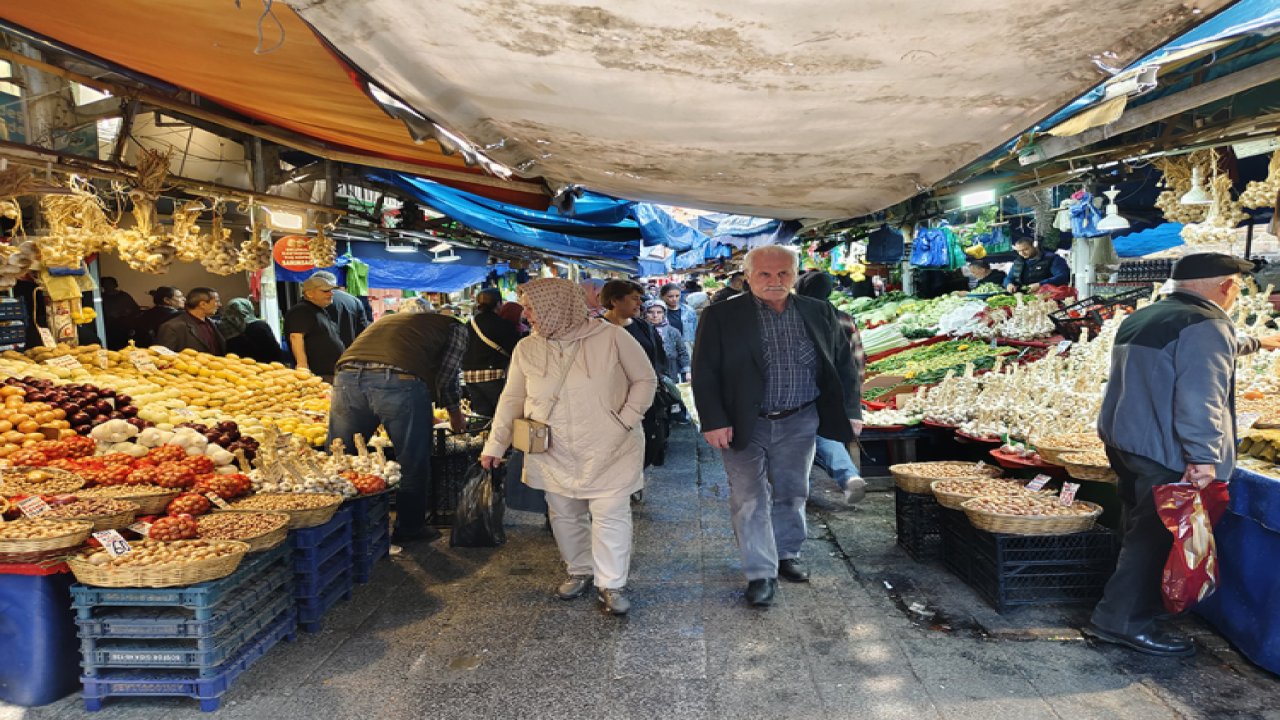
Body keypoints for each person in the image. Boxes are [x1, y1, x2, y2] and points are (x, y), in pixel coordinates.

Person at [1090, 253, 1280, 656]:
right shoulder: (1206, 324)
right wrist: (1203, 456)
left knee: (1138, 529)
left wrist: (1256, 342)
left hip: (1126, 442)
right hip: (1165, 450)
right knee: (1155, 539)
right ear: (1227, 287)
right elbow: (1201, 398)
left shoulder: (1146, 316)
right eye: (1237, 287)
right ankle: (1121, 622)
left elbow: (1199, 352)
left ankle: (1128, 609)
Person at [692, 245, 861, 607]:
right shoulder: (721, 315)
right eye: (764, 275)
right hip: (742, 423)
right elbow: (704, 371)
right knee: (749, 498)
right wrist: (714, 420)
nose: (774, 281)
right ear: (748, 276)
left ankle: (787, 553)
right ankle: (760, 573)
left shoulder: (819, 311)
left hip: (800, 419)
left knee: (792, 490)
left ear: (795, 275)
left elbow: (844, 364)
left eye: (783, 273)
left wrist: (851, 410)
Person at [479, 278, 657, 616]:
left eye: (531, 307)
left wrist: (623, 421)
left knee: (610, 514)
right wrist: (495, 444)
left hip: (611, 445)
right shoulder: (526, 348)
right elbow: (512, 398)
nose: (526, 314)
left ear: (556, 305)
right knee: (563, 513)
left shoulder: (611, 336)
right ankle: (579, 569)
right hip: (552, 447)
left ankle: (612, 583)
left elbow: (645, 380)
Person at [329, 309, 468, 544]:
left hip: (346, 377)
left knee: (340, 455)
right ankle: (410, 528)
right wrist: (455, 414)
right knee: (412, 458)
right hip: (398, 381)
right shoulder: (457, 328)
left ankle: (335, 526)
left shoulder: (395, 321)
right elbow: (447, 375)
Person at [795, 270, 867, 505]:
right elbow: (857, 359)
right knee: (824, 434)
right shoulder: (844, 318)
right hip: (838, 389)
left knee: (801, 436)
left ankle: (799, 488)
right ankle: (849, 476)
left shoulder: (794, 316)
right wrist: (854, 398)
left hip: (804, 389)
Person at [603, 280, 669, 469]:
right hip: (613, 400)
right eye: (634, 299)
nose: (639, 303)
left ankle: (635, 480)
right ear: (615, 300)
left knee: (649, 441)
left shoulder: (643, 326)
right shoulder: (597, 329)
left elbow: (658, 357)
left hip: (645, 397)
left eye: (639, 299)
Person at [463, 288, 521, 418]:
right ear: (499, 304)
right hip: (494, 375)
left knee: (481, 416)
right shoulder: (503, 325)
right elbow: (516, 350)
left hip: (469, 376)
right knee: (503, 415)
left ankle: (481, 437)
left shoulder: (468, 324)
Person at [285, 272, 346, 382]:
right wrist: (302, 367)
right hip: (317, 375)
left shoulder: (319, 310)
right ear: (309, 294)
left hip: (332, 374)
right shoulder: (301, 310)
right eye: (325, 291)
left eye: (331, 291)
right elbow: (296, 337)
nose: (331, 294)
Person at [155, 287, 225, 355]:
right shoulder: (172, 327)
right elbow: (165, 358)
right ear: (203, 304)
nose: (219, 305)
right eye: (217, 301)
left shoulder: (210, 323)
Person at [313, 271, 369, 347]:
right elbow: (363, 331)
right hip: (350, 352)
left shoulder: (316, 300)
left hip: (322, 352)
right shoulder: (355, 301)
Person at [221, 298, 284, 364]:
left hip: (238, 369)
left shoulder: (223, 328)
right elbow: (274, 350)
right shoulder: (259, 325)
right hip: (266, 368)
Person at [644, 303, 688, 383]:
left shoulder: (673, 331)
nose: (655, 315)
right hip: (648, 376)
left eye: (659, 312)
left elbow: (682, 352)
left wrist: (687, 371)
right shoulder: (641, 331)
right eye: (650, 312)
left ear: (664, 314)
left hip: (671, 373)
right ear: (644, 313)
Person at [1005, 237, 1070, 292]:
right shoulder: (1018, 262)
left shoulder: (1052, 258)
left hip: (1049, 295)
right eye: (1019, 251)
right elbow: (1008, 278)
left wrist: (1040, 284)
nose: (1022, 253)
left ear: (1034, 246)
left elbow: (1062, 276)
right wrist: (1008, 284)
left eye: (1025, 249)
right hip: (1025, 297)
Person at [99, 277, 139, 350]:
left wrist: (122, 313)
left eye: (110, 284)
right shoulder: (101, 297)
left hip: (123, 327)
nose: (108, 286)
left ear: (115, 285)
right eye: (105, 284)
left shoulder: (124, 296)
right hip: (108, 328)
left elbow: (135, 309)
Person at [660, 283, 698, 356]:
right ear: (662, 297)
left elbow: (695, 330)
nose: (674, 299)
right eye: (670, 296)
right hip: (666, 349)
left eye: (677, 296)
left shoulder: (689, 310)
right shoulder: (658, 312)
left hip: (687, 348)